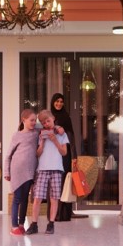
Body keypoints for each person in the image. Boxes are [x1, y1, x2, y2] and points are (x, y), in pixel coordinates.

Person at [26, 109, 69, 235]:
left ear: (53, 118)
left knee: (54, 198)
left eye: (48, 121)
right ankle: (34, 224)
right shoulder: (41, 134)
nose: (46, 124)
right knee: (37, 197)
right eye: (43, 123)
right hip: (42, 169)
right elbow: (37, 154)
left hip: (56, 169)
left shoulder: (62, 134)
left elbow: (64, 153)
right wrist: (43, 142)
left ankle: (51, 224)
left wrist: (55, 140)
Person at [2, 107, 39, 236]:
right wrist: (6, 172)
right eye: (31, 120)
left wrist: (58, 128)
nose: (34, 122)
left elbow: (48, 126)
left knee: (25, 199)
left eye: (35, 120)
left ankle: (21, 224)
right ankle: (14, 227)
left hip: (30, 171)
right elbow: (8, 155)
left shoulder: (36, 133)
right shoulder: (17, 135)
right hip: (17, 170)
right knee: (17, 198)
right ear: (24, 120)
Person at [48, 92, 77, 221]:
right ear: (53, 102)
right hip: (52, 153)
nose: (59, 104)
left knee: (65, 181)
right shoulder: (49, 116)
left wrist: (74, 156)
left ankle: (64, 214)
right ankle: (54, 214)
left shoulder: (66, 117)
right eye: (57, 101)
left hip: (65, 153)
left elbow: (71, 136)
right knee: (54, 182)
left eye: (61, 101)